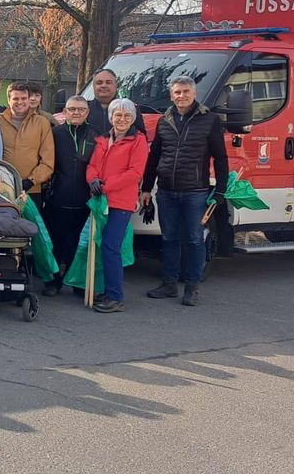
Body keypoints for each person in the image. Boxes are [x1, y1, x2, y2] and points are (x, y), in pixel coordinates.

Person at [140, 76, 228, 307]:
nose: (181, 96)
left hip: (195, 192)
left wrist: (220, 191)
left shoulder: (210, 120)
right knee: (169, 238)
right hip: (166, 191)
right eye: (177, 92)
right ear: (171, 95)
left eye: (186, 91)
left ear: (194, 94)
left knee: (194, 240)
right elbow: (154, 156)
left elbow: (220, 158)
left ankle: (192, 288)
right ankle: (169, 284)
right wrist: (147, 188)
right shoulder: (163, 121)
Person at [86, 99, 149, 313]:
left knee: (111, 247)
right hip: (101, 200)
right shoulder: (104, 139)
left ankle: (115, 296)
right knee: (101, 246)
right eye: (117, 115)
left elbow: (135, 173)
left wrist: (105, 186)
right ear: (111, 117)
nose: (121, 119)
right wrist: (92, 180)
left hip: (120, 201)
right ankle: (107, 290)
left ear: (132, 118)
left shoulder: (138, 141)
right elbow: (93, 165)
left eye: (126, 116)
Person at [44, 96, 99, 295]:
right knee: (56, 242)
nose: (76, 113)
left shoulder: (96, 135)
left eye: (81, 110)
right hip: (58, 197)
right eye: (72, 109)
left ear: (87, 113)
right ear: (65, 112)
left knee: (79, 244)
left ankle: (78, 282)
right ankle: (53, 281)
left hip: (85, 200)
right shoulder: (55, 134)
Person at [0, 82, 56, 210]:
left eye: (24, 98)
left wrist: (31, 181)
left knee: (31, 228)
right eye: (15, 98)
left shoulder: (42, 123)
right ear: (8, 100)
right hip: (3, 188)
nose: (20, 102)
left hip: (32, 190)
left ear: (29, 100)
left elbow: (48, 160)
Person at [0, 171, 37, 238]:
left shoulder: (3, 196)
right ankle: (3, 228)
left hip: (10, 216)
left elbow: (15, 207)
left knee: (33, 227)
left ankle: (3, 229)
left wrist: (21, 201)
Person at [86, 69, 145, 136]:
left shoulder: (130, 108)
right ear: (93, 86)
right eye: (99, 83)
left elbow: (141, 136)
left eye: (108, 82)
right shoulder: (83, 109)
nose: (104, 85)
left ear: (116, 85)